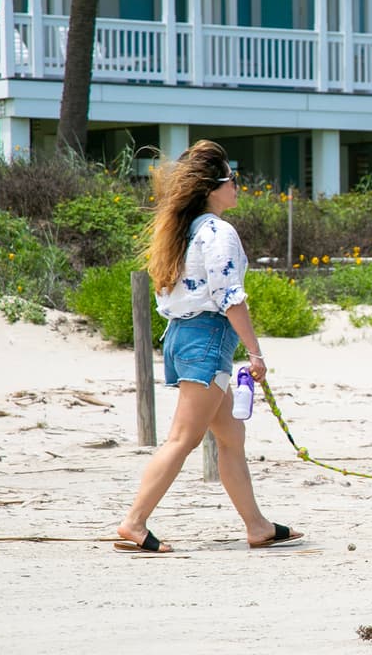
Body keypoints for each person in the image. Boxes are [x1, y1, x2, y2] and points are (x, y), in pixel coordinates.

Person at [115, 139, 301, 553]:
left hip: (183, 337)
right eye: (234, 180)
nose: (238, 186)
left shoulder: (184, 230)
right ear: (215, 188)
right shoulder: (219, 232)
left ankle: (257, 526)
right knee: (182, 439)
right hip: (207, 338)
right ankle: (134, 521)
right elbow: (230, 296)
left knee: (231, 436)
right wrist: (255, 353)